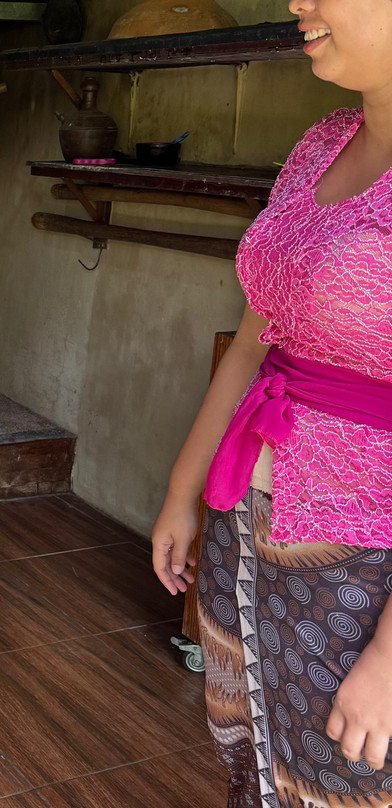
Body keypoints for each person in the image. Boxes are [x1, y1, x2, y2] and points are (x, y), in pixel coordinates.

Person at [151, 1, 392, 804]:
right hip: (248, 518)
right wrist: (183, 490)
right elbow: (257, 337)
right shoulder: (324, 142)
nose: (298, 2)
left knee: (342, 782)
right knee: (251, 755)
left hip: (361, 557)